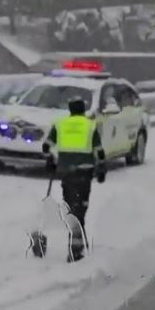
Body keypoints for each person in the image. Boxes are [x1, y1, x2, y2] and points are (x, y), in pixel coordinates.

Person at [42, 96, 106, 262]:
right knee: (81, 208)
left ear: (70, 109)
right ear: (83, 109)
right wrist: (101, 169)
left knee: (71, 206)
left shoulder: (60, 124)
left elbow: (46, 146)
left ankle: (77, 242)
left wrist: (50, 160)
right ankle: (76, 246)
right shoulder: (90, 125)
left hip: (67, 174)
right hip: (84, 173)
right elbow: (99, 151)